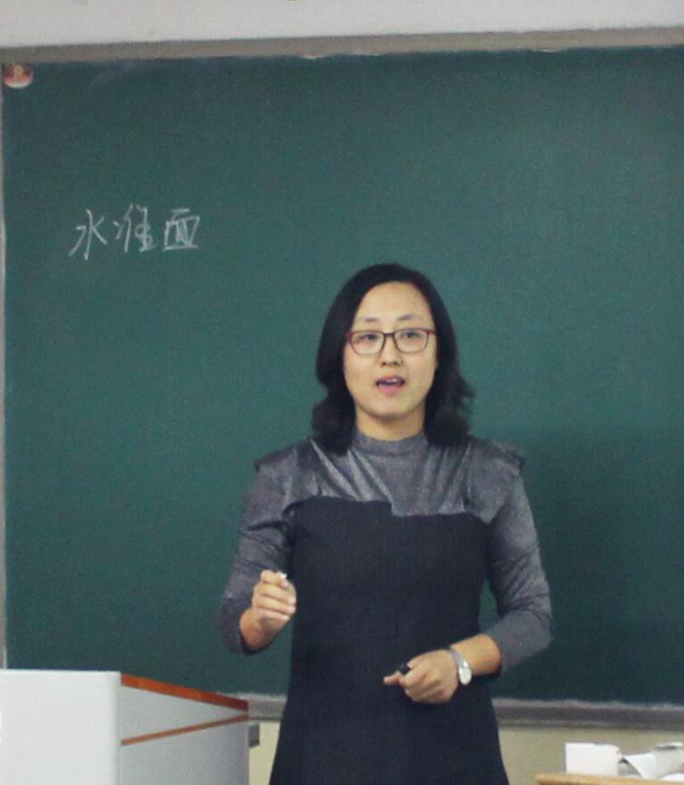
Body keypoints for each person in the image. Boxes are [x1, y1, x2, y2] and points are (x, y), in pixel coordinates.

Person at [217, 263, 552, 784]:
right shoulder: (288, 476)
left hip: (454, 759)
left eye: (410, 335)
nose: (389, 355)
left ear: (439, 353)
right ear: (339, 355)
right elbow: (235, 620)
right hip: (324, 759)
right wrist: (260, 618)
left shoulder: (488, 472)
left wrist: (459, 661)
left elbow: (533, 615)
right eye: (368, 337)